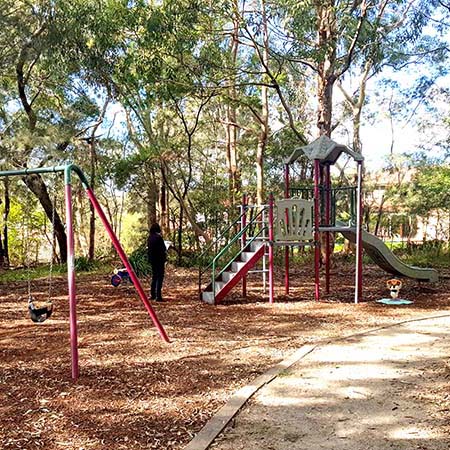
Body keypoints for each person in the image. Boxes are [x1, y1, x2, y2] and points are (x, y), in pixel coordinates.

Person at [147, 223, 167, 301]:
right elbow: (163, 248)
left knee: (154, 277)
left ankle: (153, 294)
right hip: (159, 260)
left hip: (153, 260)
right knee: (160, 277)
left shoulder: (150, 238)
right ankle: (158, 296)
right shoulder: (158, 238)